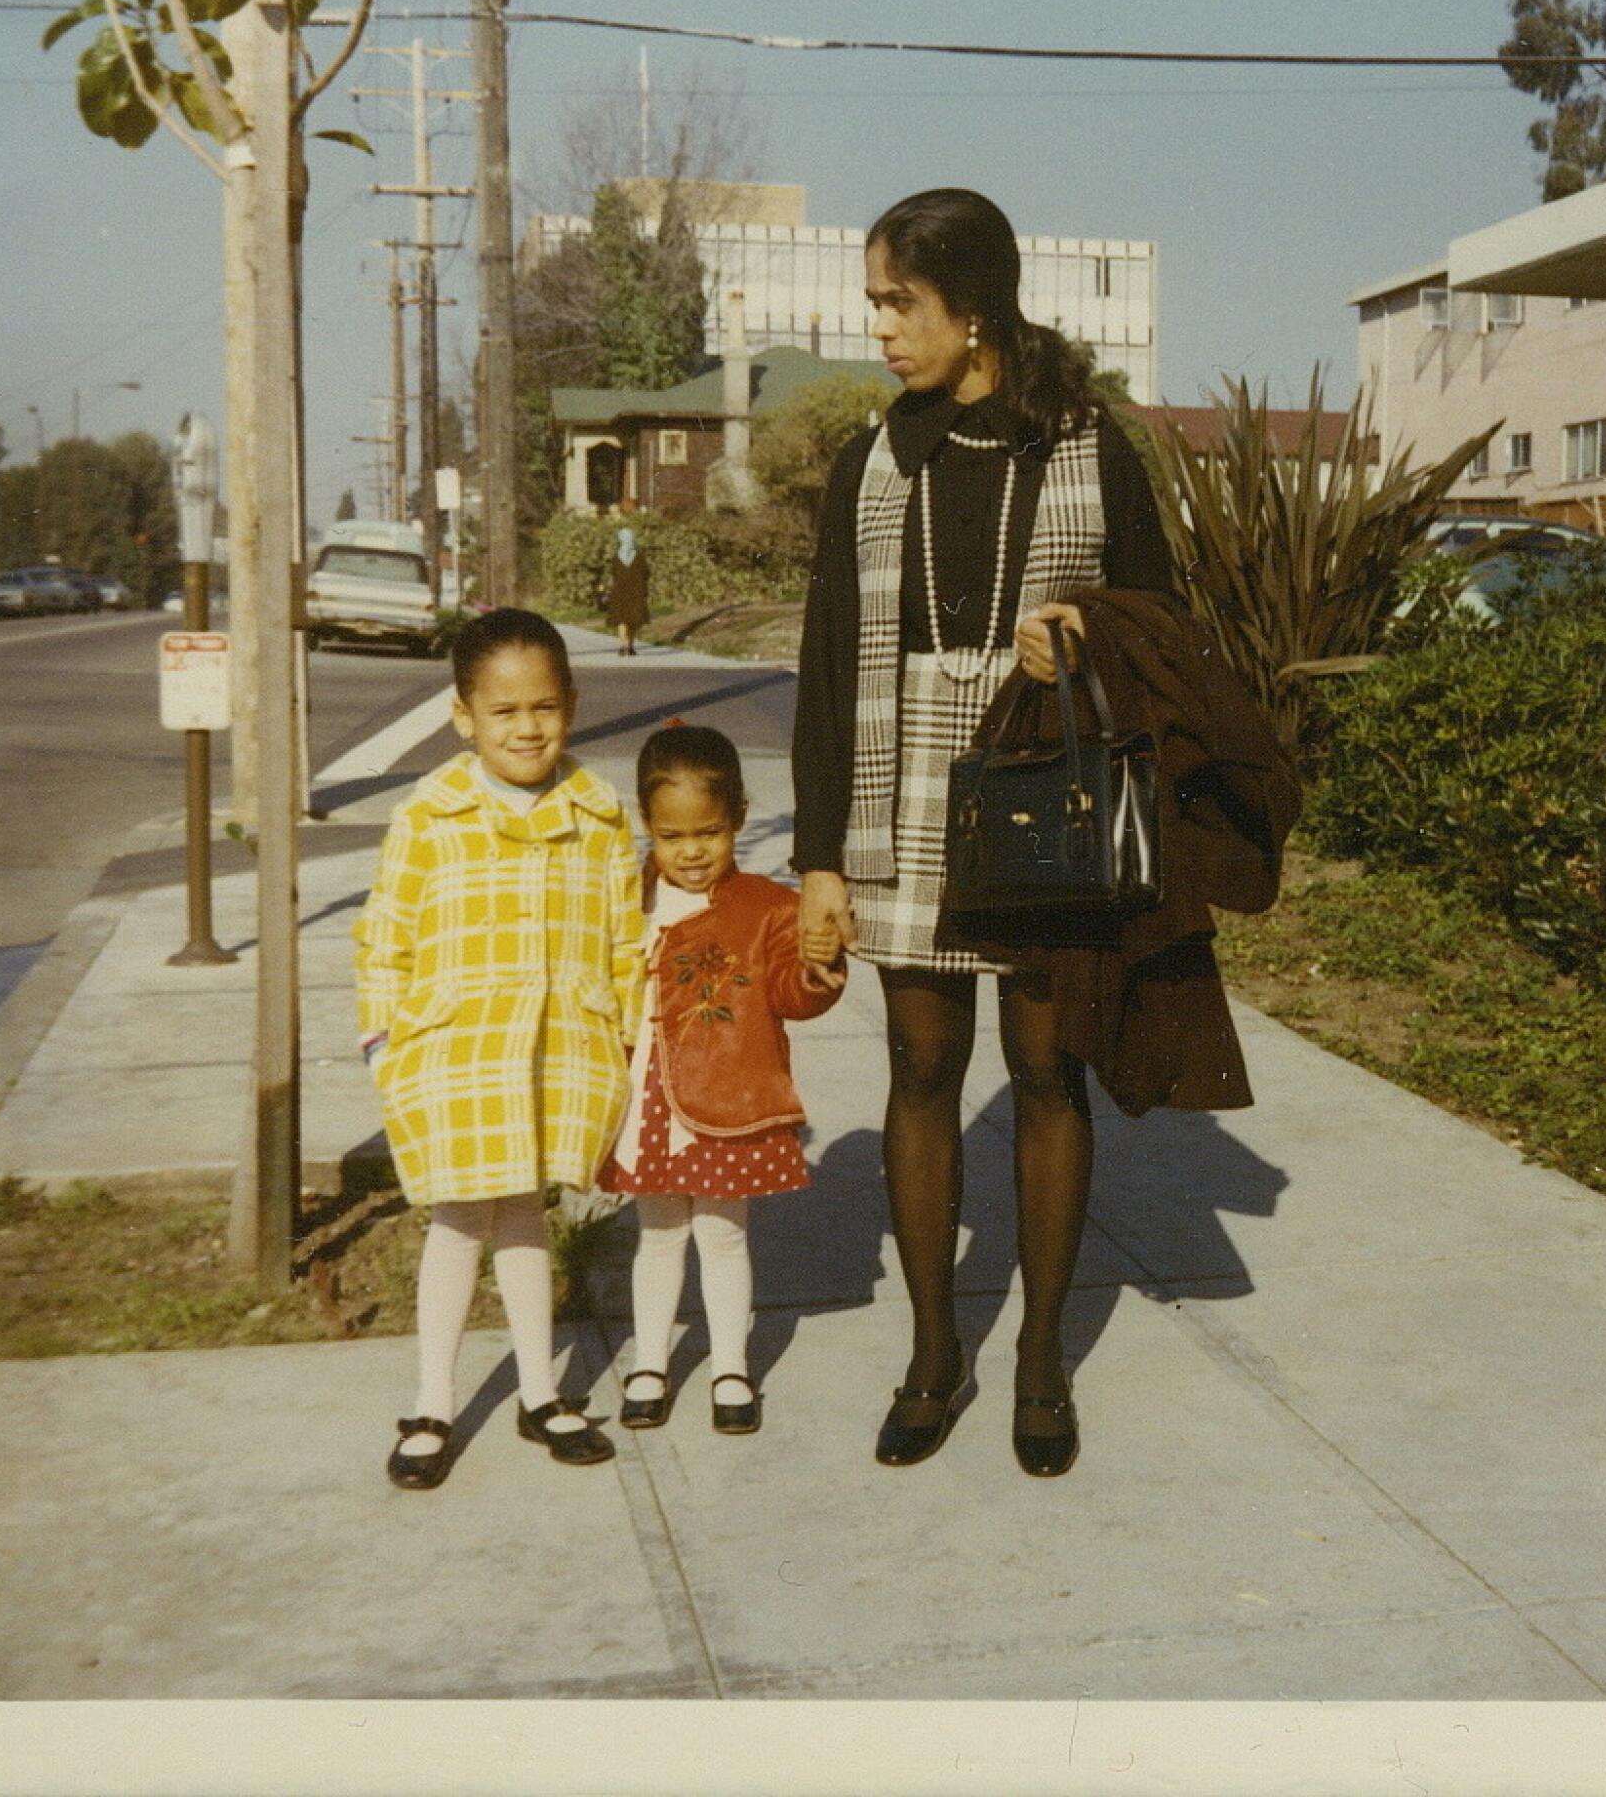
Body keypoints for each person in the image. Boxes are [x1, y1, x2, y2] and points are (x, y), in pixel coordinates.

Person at [792, 187, 1179, 1479]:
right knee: (916, 1069)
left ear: (976, 303)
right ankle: (933, 1353)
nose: (884, 333)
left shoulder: (1088, 445)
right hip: (899, 792)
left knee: (1048, 1070)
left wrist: (1080, 634)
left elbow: (1163, 628)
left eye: (900, 305)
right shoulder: (874, 457)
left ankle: (1039, 1360)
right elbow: (829, 661)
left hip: (1040, 789)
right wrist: (816, 865)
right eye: (877, 307)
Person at [355, 607, 646, 1489]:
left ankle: (538, 1390)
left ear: (571, 704)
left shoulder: (599, 815)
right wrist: (383, 1040)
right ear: (464, 717)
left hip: (559, 1046)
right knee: (456, 1220)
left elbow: (624, 937)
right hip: (456, 1051)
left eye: (545, 708)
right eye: (506, 712)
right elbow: (386, 934)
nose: (527, 728)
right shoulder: (430, 814)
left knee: (525, 1214)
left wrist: (626, 1038)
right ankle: (433, 1401)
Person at [598, 724, 845, 1434]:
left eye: (709, 831)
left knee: (724, 1234)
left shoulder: (767, 906)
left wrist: (817, 962)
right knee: (659, 1234)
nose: (693, 851)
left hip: (728, 1099)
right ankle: (650, 1362)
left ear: (738, 816)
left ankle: (731, 1365)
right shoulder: (627, 898)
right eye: (673, 837)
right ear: (648, 827)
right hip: (645, 1099)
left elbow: (795, 997)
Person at [603, 509, 650, 657]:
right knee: (634, 620)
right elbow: (647, 573)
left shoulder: (616, 558)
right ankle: (630, 645)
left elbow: (613, 574)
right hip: (636, 592)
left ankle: (623, 645)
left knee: (621, 619)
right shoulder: (640, 557)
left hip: (620, 592)